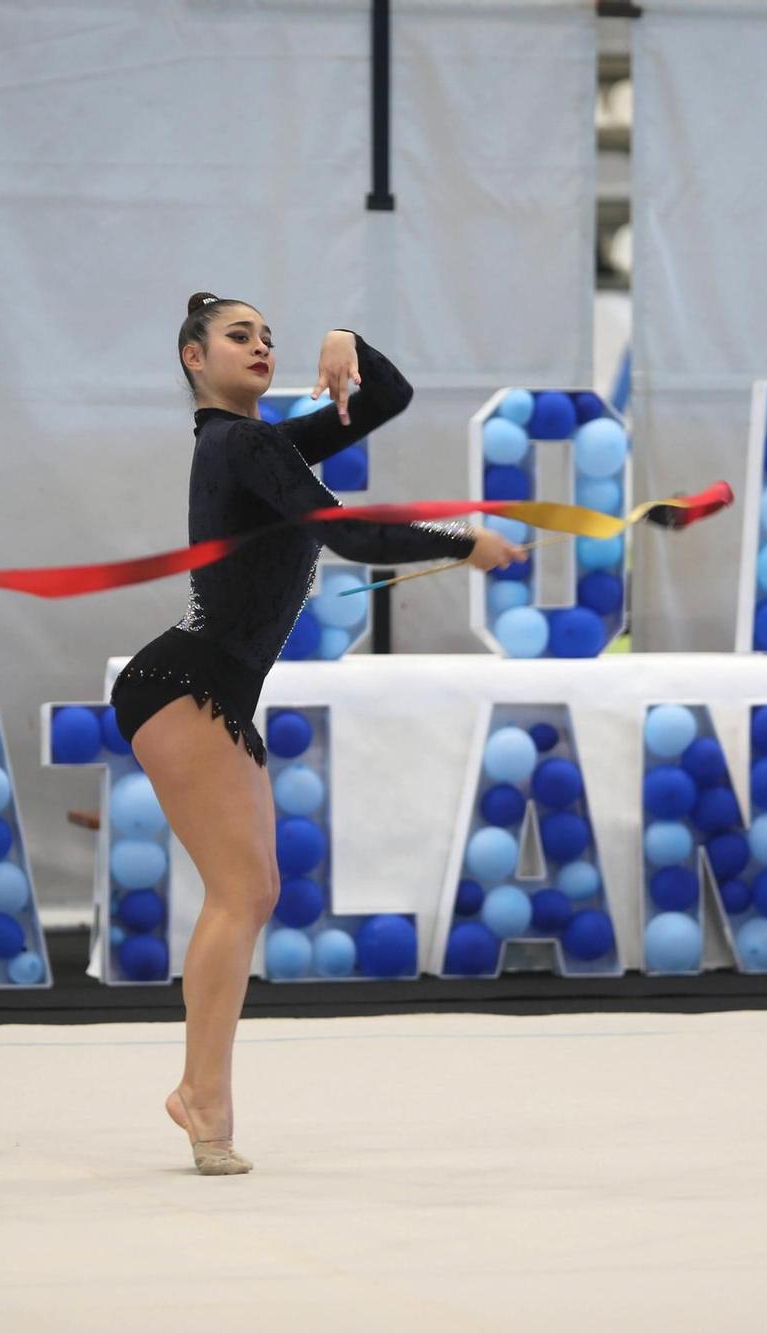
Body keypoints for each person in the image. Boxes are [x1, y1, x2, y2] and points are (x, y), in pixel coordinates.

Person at [111, 293, 526, 1174]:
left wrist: (347, 339)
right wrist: (460, 544)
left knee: (253, 890)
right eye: (238, 336)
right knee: (238, 892)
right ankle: (204, 1098)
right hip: (183, 684)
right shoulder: (239, 444)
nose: (261, 346)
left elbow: (388, 396)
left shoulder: (263, 447)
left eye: (269, 337)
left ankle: (199, 1088)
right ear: (193, 358)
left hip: (211, 689)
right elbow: (347, 532)